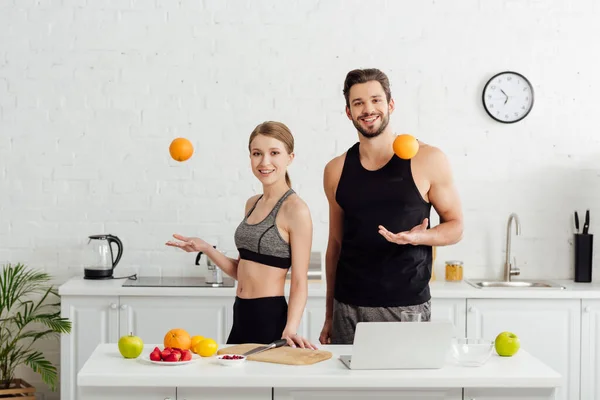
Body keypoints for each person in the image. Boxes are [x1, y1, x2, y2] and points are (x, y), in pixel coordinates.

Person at [319, 68, 464, 345]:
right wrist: (329, 314)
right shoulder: (335, 170)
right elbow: (335, 245)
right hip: (347, 308)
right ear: (348, 112)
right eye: (358, 103)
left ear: (391, 105)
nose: (368, 109)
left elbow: (456, 227)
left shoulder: (428, 159)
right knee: (347, 389)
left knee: (403, 389)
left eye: (375, 100)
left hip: (405, 307)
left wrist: (418, 237)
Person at [167, 121, 317, 349]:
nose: (264, 162)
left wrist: (290, 328)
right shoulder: (252, 204)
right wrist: (207, 248)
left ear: (290, 158)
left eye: (274, 153)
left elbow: (298, 281)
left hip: (270, 318)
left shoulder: (296, 209)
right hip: (241, 313)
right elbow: (242, 271)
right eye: (257, 153)